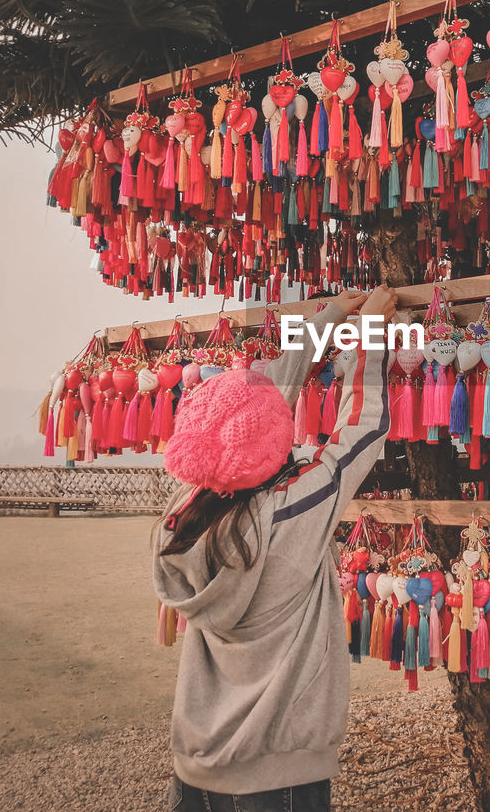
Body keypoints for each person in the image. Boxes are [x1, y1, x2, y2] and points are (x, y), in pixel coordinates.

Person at [153, 284, 396, 812]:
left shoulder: (185, 511)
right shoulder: (290, 513)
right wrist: (369, 331)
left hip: (194, 768)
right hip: (277, 777)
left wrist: (328, 319)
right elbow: (361, 428)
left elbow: (253, 414)